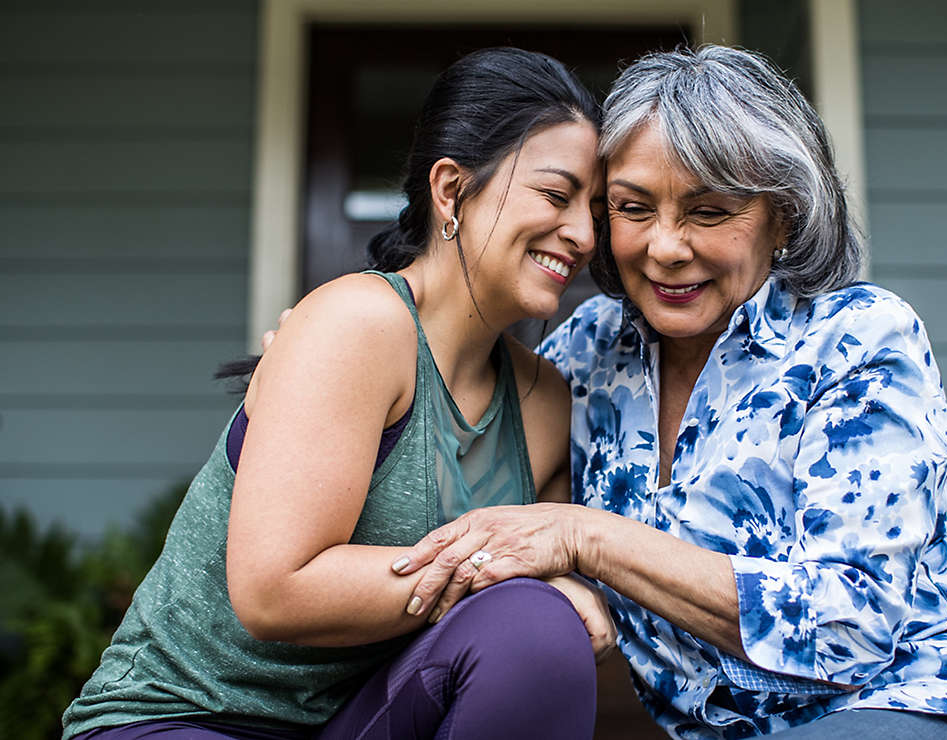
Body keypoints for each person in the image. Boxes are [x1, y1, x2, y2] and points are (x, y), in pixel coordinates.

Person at [388, 46, 947, 739]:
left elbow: (848, 630)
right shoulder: (588, 350)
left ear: (784, 216)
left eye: (709, 211)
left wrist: (588, 540)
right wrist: (340, 357)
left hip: (938, 705)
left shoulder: (857, 339)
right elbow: (464, 473)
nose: (666, 247)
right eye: (632, 208)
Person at [61, 47, 612, 740]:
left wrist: (562, 588)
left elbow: (543, 606)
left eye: (595, 209)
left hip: (357, 721)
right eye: (557, 196)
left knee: (535, 630)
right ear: (451, 191)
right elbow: (274, 590)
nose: (586, 235)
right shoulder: (360, 323)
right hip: (188, 718)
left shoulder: (544, 404)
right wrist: (504, 572)